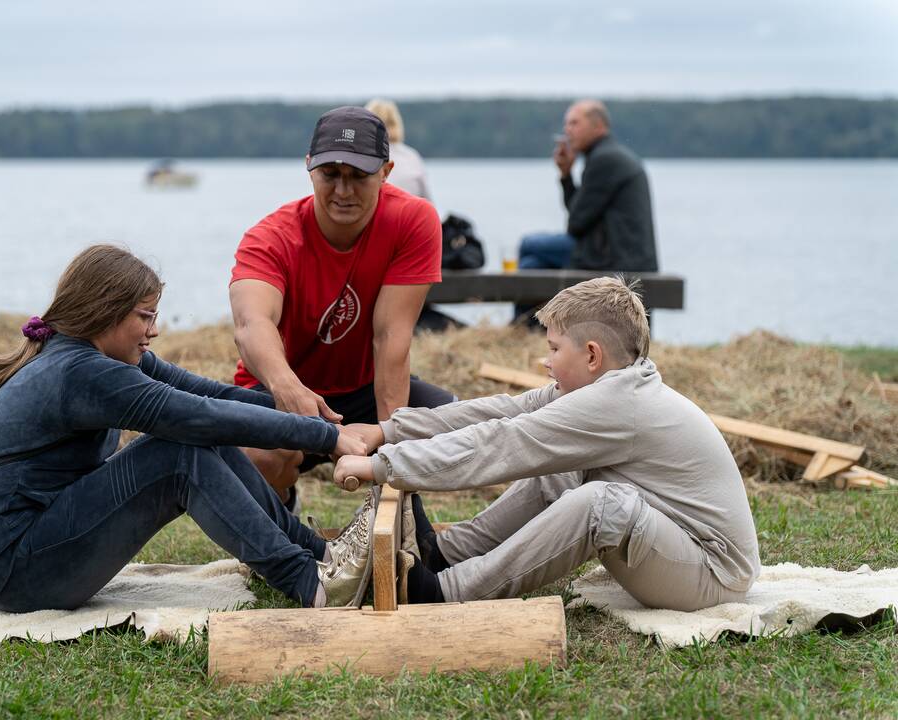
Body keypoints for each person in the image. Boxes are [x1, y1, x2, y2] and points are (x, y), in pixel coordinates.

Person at [0, 244, 376, 613]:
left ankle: (318, 553)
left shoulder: (99, 355)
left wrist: (321, 420)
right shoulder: (82, 372)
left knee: (193, 438)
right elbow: (200, 416)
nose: (154, 330)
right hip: (16, 570)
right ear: (106, 311)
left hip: (29, 549)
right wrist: (327, 439)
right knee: (181, 451)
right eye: (145, 316)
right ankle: (311, 582)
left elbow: (213, 397)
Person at [334, 277, 761, 610]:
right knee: (561, 469)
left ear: (592, 356)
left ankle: (441, 590)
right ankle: (443, 554)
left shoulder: (617, 404)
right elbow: (502, 412)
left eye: (554, 349)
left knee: (600, 505)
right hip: (679, 548)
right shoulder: (607, 385)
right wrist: (389, 431)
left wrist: (382, 465)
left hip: (713, 574)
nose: (546, 361)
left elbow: (501, 443)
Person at [229, 106, 455, 509]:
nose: (344, 191)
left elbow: (391, 337)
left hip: (363, 389)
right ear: (309, 167)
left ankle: (398, 520)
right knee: (257, 456)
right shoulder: (271, 237)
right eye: (331, 174)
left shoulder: (414, 220)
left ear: (386, 172)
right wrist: (290, 392)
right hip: (282, 387)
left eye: (359, 176)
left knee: (453, 425)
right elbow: (251, 324)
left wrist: (391, 446)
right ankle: (282, 503)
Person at [516, 100, 657, 320]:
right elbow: (581, 216)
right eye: (566, 124)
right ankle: (532, 325)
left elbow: (576, 225)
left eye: (574, 123)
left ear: (598, 126)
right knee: (532, 265)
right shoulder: (609, 155)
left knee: (528, 244)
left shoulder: (604, 160)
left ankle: (524, 326)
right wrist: (566, 175)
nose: (567, 130)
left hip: (613, 258)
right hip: (614, 253)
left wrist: (566, 178)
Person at [364, 98, 432, 201]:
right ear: (396, 123)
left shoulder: (361, 156)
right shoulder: (412, 157)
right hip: (409, 214)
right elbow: (427, 200)